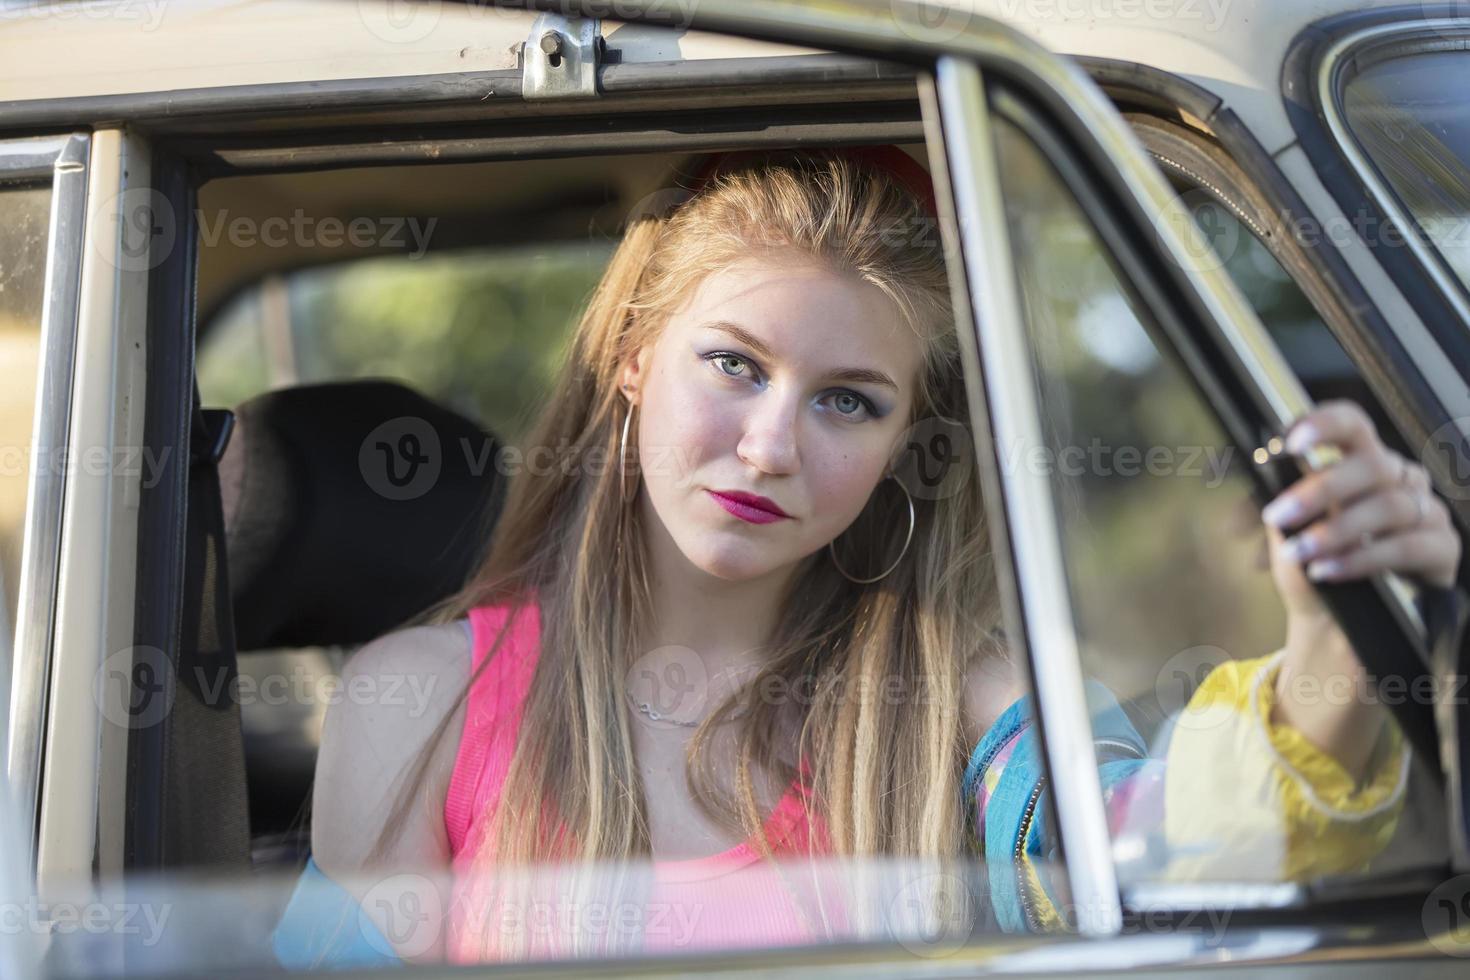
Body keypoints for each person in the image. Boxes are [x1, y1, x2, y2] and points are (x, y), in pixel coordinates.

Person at [271, 146, 1463, 967]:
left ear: (905, 444)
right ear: (632, 357)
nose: (770, 444)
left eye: (848, 402)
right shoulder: (423, 699)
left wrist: (1332, 643)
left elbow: (1173, 867)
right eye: (733, 364)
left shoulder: (965, 705)